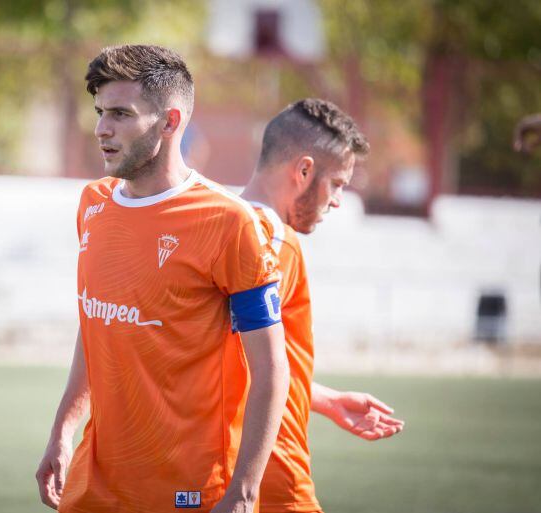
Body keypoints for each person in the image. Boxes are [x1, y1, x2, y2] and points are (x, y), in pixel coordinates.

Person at [36, 44, 290, 513]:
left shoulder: (229, 222)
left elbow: (272, 369)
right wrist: (62, 431)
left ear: (170, 122)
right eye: (99, 112)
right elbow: (97, 324)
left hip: (186, 490)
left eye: (120, 114)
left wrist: (245, 492)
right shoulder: (93, 203)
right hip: (93, 486)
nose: (101, 129)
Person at [241, 98, 405, 513]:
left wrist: (324, 399)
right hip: (273, 477)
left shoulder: (219, 227)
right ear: (304, 170)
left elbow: (233, 360)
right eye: (338, 184)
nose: (336, 201)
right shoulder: (276, 243)